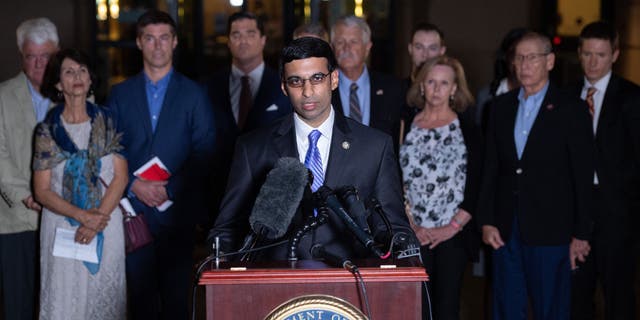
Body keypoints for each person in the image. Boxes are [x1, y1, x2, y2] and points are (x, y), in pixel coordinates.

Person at [208, 36, 414, 262]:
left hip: (351, 282)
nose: (307, 91)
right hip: (276, 283)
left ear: (333, 79)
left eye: (317, 78)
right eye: (296, 81)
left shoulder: (375, 146)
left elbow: (394, 228)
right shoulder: (253, 148)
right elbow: (226, 230)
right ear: (284, 87)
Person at [106, 10, 215, 320]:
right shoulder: (119, 94)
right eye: (150, 38)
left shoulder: (195, 94)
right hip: (132, 216)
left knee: (177, 302)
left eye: (164, 38)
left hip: (177, 217)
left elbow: (205, 151)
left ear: (175, 42)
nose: (157, 46)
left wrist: (170, 190)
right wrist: (133, 185)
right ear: (139, 43)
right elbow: (108, 150)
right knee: (138, 303)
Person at [477, 32, 594, 320]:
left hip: (551, 228)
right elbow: (490, 167)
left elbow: (582, 175)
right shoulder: (500, 107)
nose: (524, 64)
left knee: (551, 308)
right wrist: (486, 219)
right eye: (519, 57)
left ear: (550, 61)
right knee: (506, 306)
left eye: (532, 57)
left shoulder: (572, 108)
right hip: (505, 228)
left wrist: (581, 233)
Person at [33, 48, 127, 320]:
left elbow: (120, 177)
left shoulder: (108, 121)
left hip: (105, 224)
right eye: (69, 71)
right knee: (65, 302)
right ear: (58, 84)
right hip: (61, 227)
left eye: (83, 70)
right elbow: (42, 191)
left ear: (90, 79)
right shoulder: (47, 130)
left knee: (103, 303)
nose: (77, 76)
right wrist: (82, 216)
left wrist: (95, 219)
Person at [401, 56, 482, 320]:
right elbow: (392, 181)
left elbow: (477, 184)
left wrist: (451, 228)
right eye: (431, 82)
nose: (437, 89)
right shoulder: (403, 127)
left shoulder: (469, 130)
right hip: (412, 234)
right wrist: (412, 226)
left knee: (447, 308)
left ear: (455, 89)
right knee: (415, 309)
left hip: (452, 235)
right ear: (421, 85)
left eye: (444, 83)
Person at [569, 21, 640, 320]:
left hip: (617, 213)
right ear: (579, 53)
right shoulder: (565, 96)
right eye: (587, 54)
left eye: (600, 54)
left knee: (619, 294)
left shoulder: (633, 98)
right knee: (576, 294)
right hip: (574, 209)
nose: (593, 62)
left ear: (615, 55)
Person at [206, 11, 292, 223]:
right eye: (236, 34)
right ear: (228, 42)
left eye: (250, 33)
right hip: (219, 198)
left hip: (270, 198)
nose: (243, 40)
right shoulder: (208, 87)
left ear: (263, 40)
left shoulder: (284, 86)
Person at [0, 17, 59, 320]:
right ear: (21, 57)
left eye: (45, 55)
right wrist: (26, 195)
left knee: (59, 305)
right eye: (31, 56)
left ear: (57, 54)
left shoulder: (76, 93)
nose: (38, 64)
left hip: (63, 218)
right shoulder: (2, 96)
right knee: (19, 305)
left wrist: (53, 196)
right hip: (15, 219)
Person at [330, 15, 404, 151]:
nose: (346, 48)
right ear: (332, 47)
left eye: (353, 42)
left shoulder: (392, 88)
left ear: (368, 47)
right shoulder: (323, 89)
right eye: (340, 42)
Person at [401, 23, 447, 144]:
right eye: (419, 47)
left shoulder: (453, 95)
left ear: (442, 51)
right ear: (410, 49)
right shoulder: (396, 91)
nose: (425, 55)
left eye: (432, 48)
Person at [475, 27, 526, 130]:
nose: (524, 63)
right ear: (506, 57)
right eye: (516, 55)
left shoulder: (545, 98)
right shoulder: (486, 96)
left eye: (531, 56)